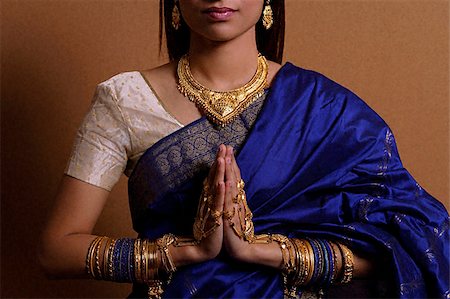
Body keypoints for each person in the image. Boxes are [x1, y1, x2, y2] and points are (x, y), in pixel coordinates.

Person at [39, 0, 449, 298]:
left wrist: (265, 253)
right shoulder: (125, 100)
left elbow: (414, 243)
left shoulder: (323, 109)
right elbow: (56, 250)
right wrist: (183, 253)